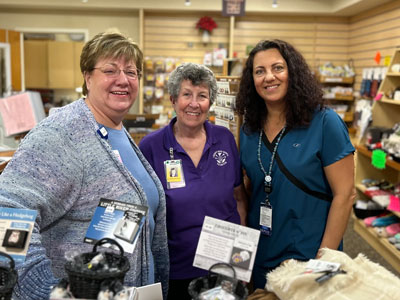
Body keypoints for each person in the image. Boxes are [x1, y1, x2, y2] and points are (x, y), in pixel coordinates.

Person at [0, 32, 169, 299]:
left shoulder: (116, 130)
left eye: (131, 72)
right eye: (110, 70)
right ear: (87, 77)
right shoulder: (62, 134)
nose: (123, 79)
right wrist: (42, 287)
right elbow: (6, 211)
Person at [236, 39, 355, 289]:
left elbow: (345, 195)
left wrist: (323, 262)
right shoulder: (248, 130)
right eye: (259, 71)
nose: (269, 77)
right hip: (262, 251)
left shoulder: (325, 123)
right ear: (252, 80)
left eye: (277, 68)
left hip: (310, 254)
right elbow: (250, 189)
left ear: (293, 72)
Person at [139, 62, 248, 300]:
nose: (194, 104)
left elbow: (239, 197)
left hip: (224, 267)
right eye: (186, 94)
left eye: (202, 96)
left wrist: (241, 257)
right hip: (176, 269)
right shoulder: (151, 146)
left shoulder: (225, 139)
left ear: (211, 102)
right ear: (173, 99)